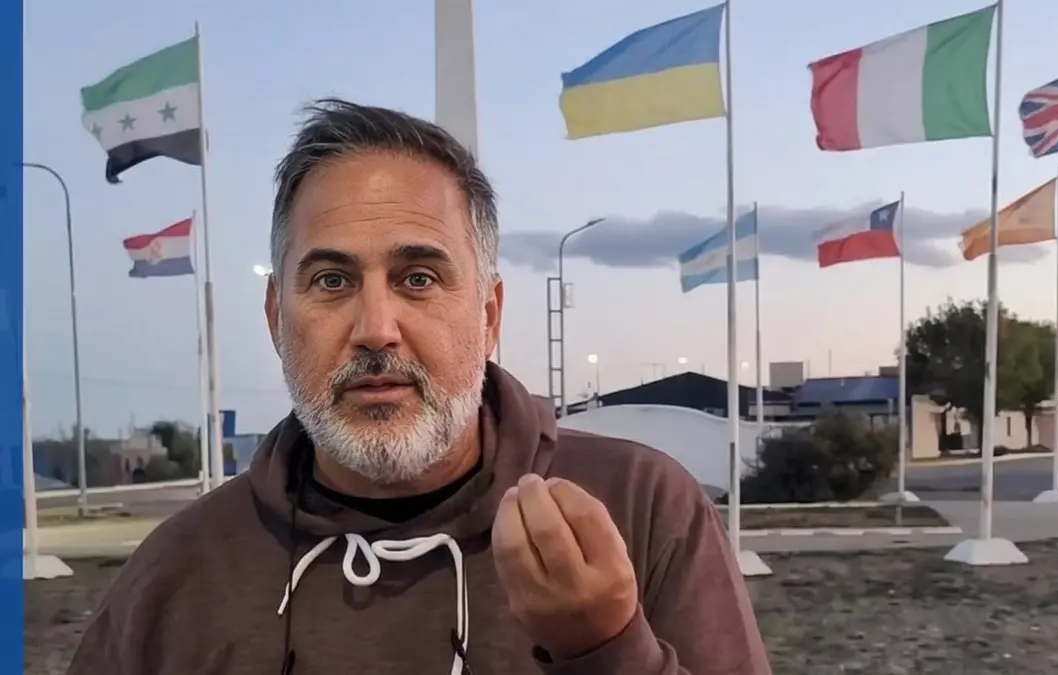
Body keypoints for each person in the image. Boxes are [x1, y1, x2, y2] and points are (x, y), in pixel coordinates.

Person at [66, 98, 772, 675]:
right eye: (332, 281)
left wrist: (608, 648)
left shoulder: (639, 509)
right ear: (278, 320)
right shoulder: (179, 572)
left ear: (489, 314)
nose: (376, 327)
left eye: (419, 278)